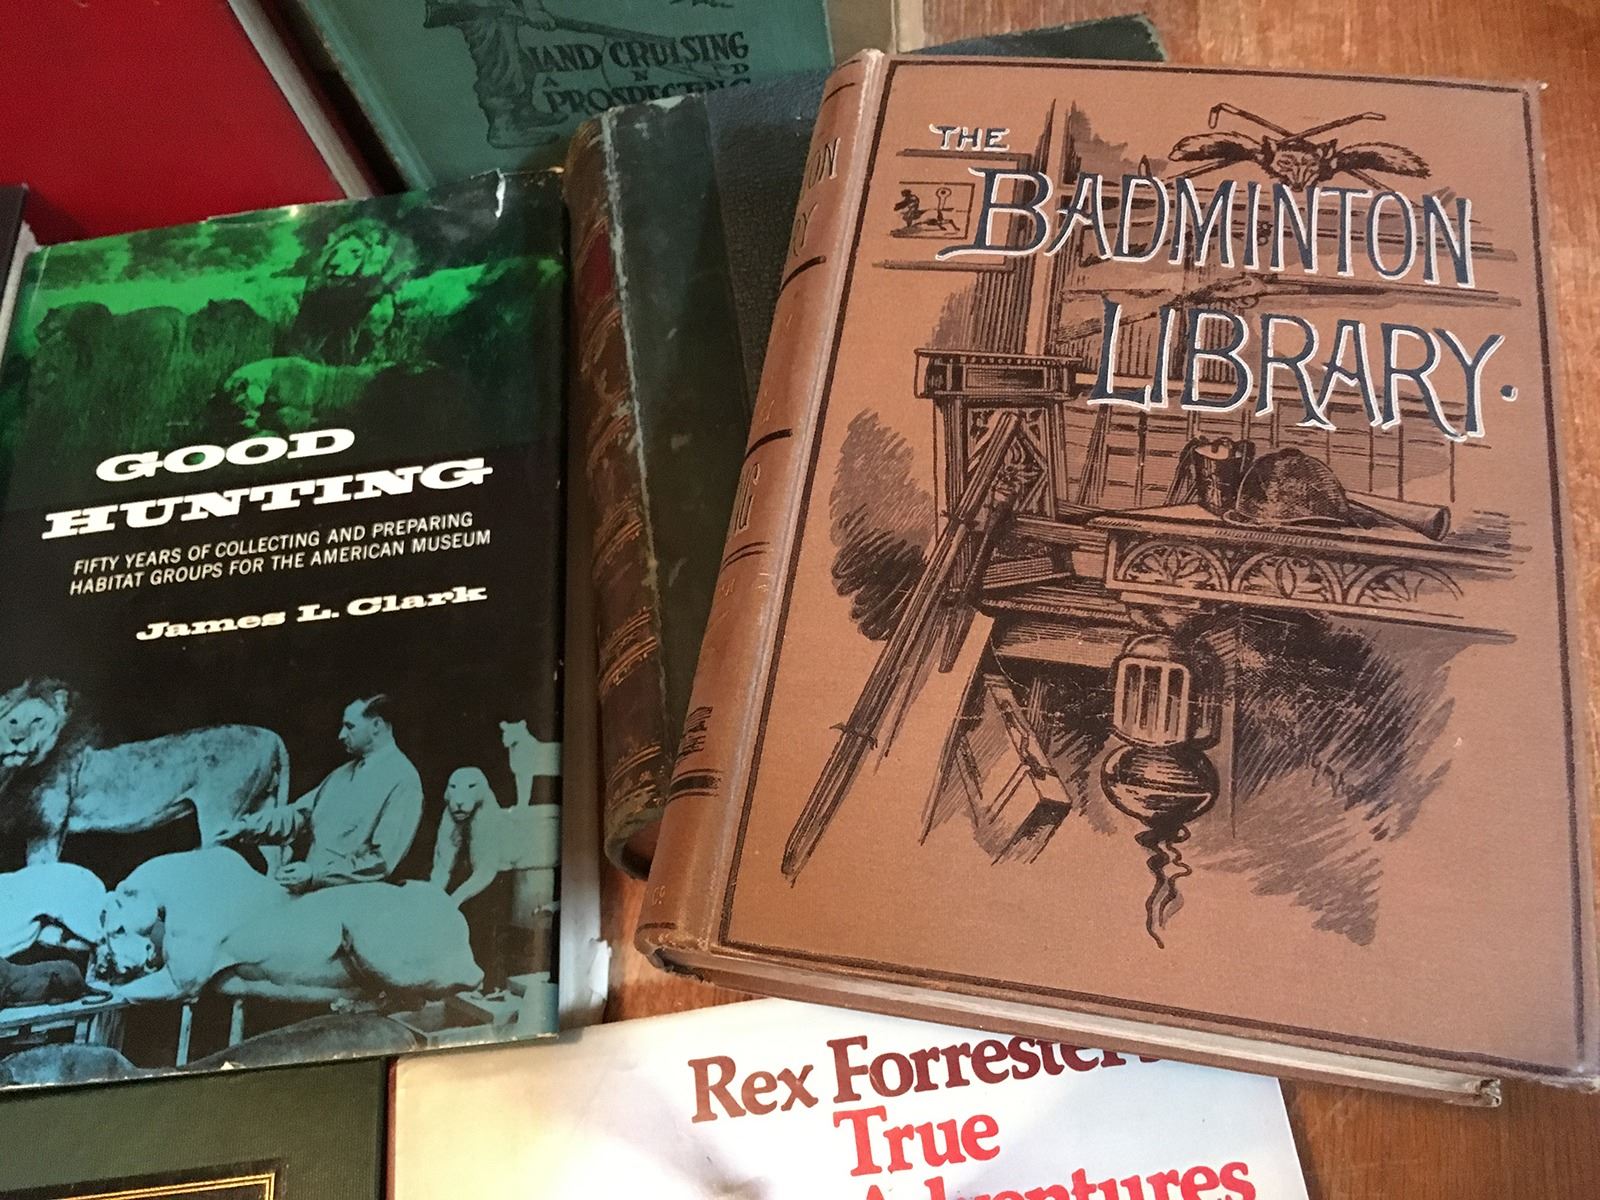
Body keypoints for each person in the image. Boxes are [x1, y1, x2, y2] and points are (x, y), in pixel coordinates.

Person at [222, 696, 423, 893]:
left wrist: (316, 875)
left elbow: (381, 862)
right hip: (315, 895)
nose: (341, 735)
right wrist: (247, 825)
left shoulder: (404, 780)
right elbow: (299, 815)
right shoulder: (342, 774)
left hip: (356, 902)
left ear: (376, 725)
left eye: (350, 727)